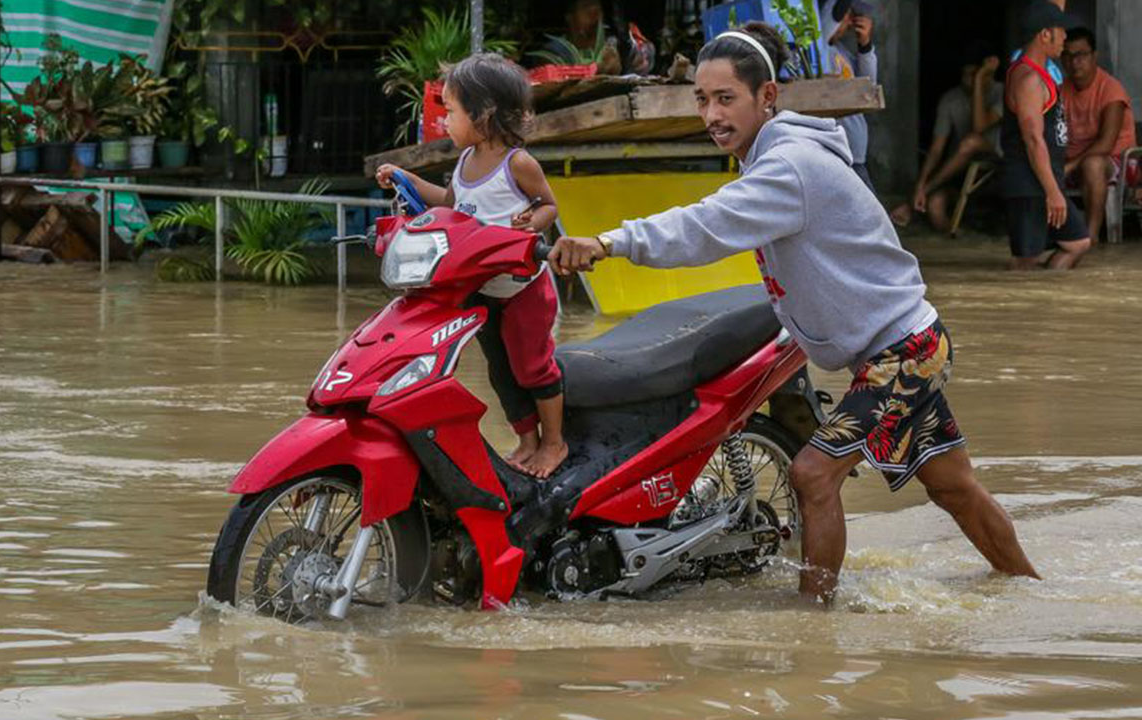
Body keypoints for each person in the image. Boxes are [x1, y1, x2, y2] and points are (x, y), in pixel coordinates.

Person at [547, 22, 1041, 604]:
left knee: (812, 474)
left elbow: (701, 227)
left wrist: (609, 243)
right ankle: (1028, 592)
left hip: (903, 352)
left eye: (726, 98)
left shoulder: (788, 167)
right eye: (701, 100)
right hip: (899, 346)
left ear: (768, 97)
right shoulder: (775, 157)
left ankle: (813, 624)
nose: (711, 115)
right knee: (953, 488)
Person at [375, 54, 568, 479]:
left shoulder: (517, 163)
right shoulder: (464, 163)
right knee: (500, 370)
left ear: (484, 114)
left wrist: (532, 222)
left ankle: (554, 442)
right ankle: (526, 442)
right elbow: (449, 205)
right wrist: (405, 178)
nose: (445, 121)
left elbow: (549, 206)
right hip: (482, 287)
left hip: (523, 288)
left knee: (531, 366)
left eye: (451, 111)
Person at [1000, 2, 1090, 270]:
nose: (1065, 38)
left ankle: (1048, 297)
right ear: (1044, 35)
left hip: (1044, 181)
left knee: (1078, 242)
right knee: (1025, 261)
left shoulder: (1042, 73)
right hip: (1030, 185)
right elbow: (1033, 139)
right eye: (1061, 31)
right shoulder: (1027, 78)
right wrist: (1053, 192)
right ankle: (1024, 307)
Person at [890, 56, 1005, 231]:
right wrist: (921, 183)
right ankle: (960, 240)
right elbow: (936, 149)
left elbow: (979, 126)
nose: (972, 79)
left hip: (997, 163)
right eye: (968, 75)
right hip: (959, 169)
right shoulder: (951, 99)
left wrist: (980, 80)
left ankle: (911, 203)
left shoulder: (1003, 93)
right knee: (935, 207)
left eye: (977, 75)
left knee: (970, 142)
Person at [1061, 26, 1138, 244]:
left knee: (1092, 164)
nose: (1074, 62)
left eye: (1080, 55)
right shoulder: (1060, 89)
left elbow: (1105, 144)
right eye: (1067, 55)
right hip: (1074, 161)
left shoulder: (1111, 89)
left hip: (1117, 163)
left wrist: (1070, 165)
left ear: (1094, 56)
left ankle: (1090, 236)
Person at [820, 0, 877, 189]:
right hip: (836, 152)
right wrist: (838, 11)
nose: (851, 22)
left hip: (855, 153)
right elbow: (828, 23)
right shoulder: (819, 50)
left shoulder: (841, 52)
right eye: (848, 15)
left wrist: (865, 46)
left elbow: (868, 87)